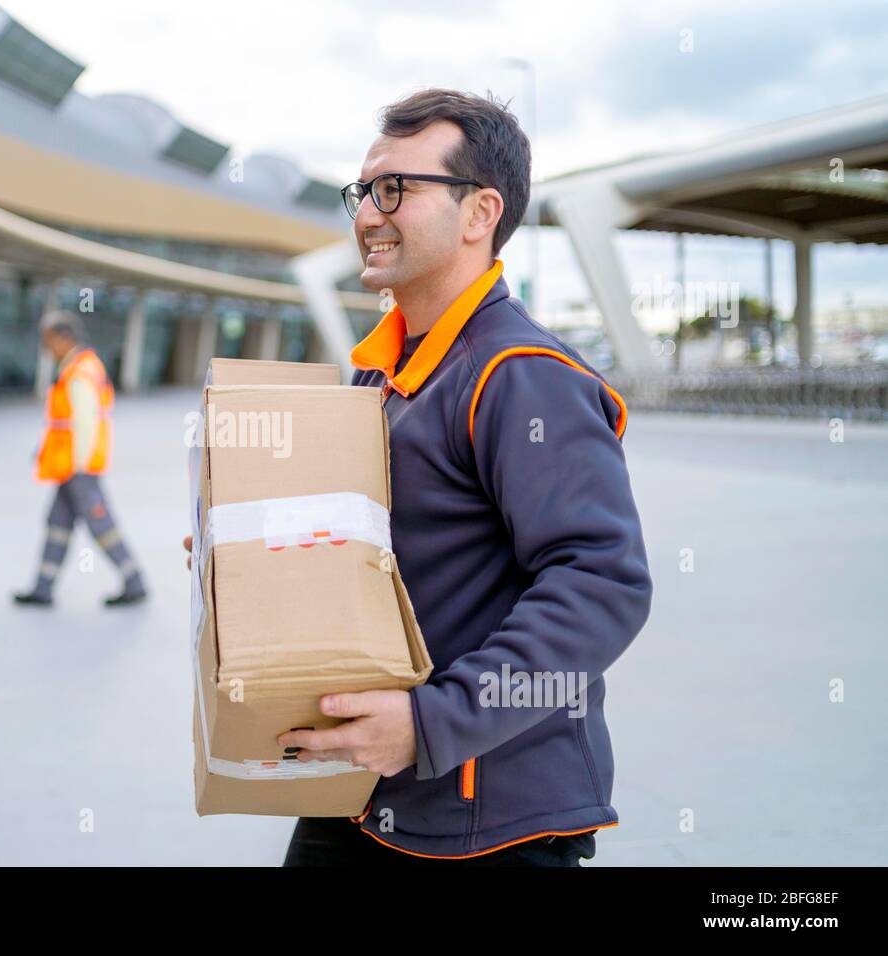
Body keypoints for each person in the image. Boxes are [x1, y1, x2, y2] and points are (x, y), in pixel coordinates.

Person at [185, 89, 652, 866]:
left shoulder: (522, 376)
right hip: (367, 790)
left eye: (395, 189)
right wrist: (239, 554)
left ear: (479, 213)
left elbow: (604, 585)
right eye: (363, 191)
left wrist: (434, 721)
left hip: (490, 821)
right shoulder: (384, 372)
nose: (368, 213)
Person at [14, 310, 147, 608]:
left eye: (48, 341)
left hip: (78, 468)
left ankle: (134, 581)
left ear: (63, 338)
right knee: (58, 524)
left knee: (100, 523)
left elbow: (84, 422)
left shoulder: (80, 371)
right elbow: (63, 423)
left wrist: (80, 465)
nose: (46, 348)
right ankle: (43, 588)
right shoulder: (79, 367)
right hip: (70, 466)